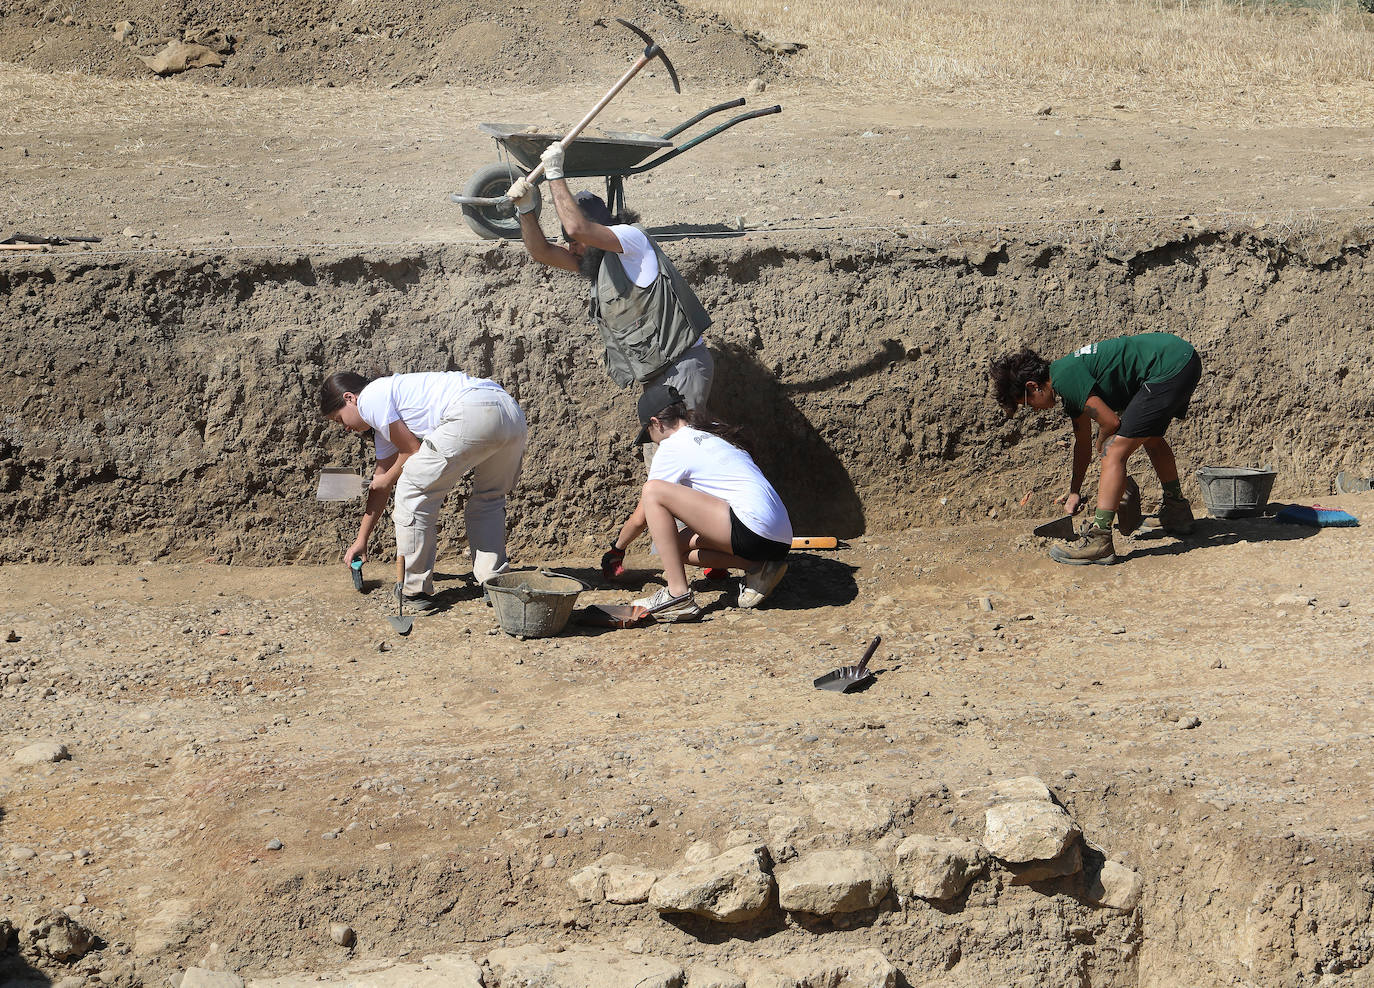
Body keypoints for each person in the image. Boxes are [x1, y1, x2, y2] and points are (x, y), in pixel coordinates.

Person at [505, 144, 715, 416]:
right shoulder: (596, 261)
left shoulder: (631, 241)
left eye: (575, 243)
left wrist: (555, 174)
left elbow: (576, 228)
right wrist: (525, 210)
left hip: (681, 365)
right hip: (656, 372)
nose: (571, 249)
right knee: (663, 448)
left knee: (681, 447)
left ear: (596, 233)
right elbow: (541, 252)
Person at [989, 332, 1202, 565]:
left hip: (1170, 365)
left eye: (1027, 404)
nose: (1035, 410)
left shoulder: (1065, 378)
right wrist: (1074, 492)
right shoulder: (1066, 381)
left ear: (1034, 386)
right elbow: (1082, 446)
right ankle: (1177, 512)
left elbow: (1110, 423)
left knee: (1113, 452)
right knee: (1151, 438)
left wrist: (1103, 445)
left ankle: (1100, 539)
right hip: (1180, 359)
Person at [319, 370, 527, 607]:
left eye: (339, 419)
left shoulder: (369, 398)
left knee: (412, 490)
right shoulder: (388, 410)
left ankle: (413, 588)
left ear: (349, 398)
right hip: (510, 412)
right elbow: (380, 485)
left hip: (472, 411)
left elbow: (411, 451)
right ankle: (495, 582)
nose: (344, 428)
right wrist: (361, 540)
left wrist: (388, 479)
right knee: (489, 499)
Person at [602, 383, 792, 622]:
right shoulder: (711, 431)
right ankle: (758, 566)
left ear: (656, 422)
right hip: (779, 537)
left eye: (649, 434)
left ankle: (677, 595)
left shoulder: (672, 446)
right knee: (675, 548)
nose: (653, 442)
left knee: (653, 492)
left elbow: (641, 517)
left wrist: (617, 548)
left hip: (752, 530)